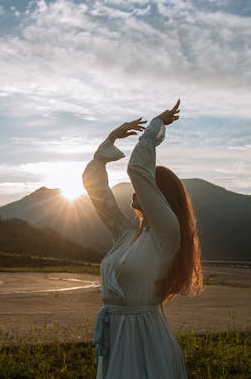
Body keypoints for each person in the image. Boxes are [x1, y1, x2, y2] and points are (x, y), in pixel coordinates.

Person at [82, 99, 202, 379]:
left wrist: (154, 128)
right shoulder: (126, 234)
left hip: (143, 341)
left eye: (149, 186)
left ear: (159, 196)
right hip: (116, 338)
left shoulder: (166, 235)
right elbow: (97, 192)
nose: (138, 189)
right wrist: (108, 142)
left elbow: (137, 170)